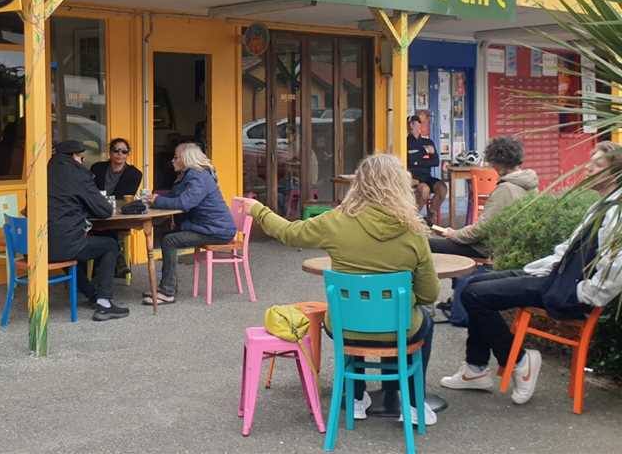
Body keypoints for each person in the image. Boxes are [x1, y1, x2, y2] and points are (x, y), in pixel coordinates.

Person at [237, 153, 440, 425]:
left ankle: (355, 398)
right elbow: (429, 294)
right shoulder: (413, 231)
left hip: (347, 327)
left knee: (350, 310)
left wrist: (258, 209)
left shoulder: (336, 221)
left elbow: (289, 232)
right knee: (423, 318)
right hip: (399, 329)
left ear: (359, 185)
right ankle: (414, 404)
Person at [440, 141, 622, 404]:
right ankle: (475, 369)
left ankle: (519, 362)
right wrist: (536, 269)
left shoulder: (616, 213)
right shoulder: (602, 205)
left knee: (475, 295)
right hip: (553, 277)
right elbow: (567, 249)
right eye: (590, 162)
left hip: (568, 291)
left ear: (615, 173)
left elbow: (614, 270)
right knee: (474, 284)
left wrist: (583, 293)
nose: (588, 169)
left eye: (597, 165)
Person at [142, 143, 236, 304]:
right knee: (167, 236)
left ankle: (167, 291)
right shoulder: (188, 175)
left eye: (176, 157)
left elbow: (185, 202)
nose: (172, 160)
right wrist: (156, 197)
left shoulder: (198, 176)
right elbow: (175, 196)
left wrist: (158, 201)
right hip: (207, 226)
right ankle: (167, 285)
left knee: (169, 240)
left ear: (186, 159)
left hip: (216, 230)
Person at [47, 139, 129, 321]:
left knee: (67, 252)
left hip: (40, 246)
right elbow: (104, 210)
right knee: (110, 245)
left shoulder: (44, 171)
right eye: (81, 158)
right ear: (75, 157)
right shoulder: (78, 174)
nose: (82, 161)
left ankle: (92, 295)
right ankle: (104, 303)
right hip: (65, 244)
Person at [431, 137, 538, 258]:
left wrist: (454, 234)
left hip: (491, 247)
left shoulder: (505, 189)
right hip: (515, 244)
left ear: (497, 163)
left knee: (430, 244)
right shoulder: (530, 184)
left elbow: (481, 229)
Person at [90, 138, 143, 277]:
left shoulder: (135, 174)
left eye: (124, 151)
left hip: (119, 215)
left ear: (128, 154)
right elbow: (91, 191)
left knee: (109, 227)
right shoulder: (97, 168)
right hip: (97, 211)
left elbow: (125, 198)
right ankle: (118, 260)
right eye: (116, 150)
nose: (120, 154)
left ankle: (104, 267)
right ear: (110, 152)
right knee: (103, 226)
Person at [407, 115, 447, 222]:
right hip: (413, 178)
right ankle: (411, 219)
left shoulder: (428, 142)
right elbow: (409, 161)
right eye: (411, 123)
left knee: (442, 188)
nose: (412, 125)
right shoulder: (405, 142)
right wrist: (425, 152)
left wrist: (417, 160)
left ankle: (431, 214)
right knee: (425, 190)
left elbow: (435, 162)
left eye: (415, 122)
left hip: (427, 177)